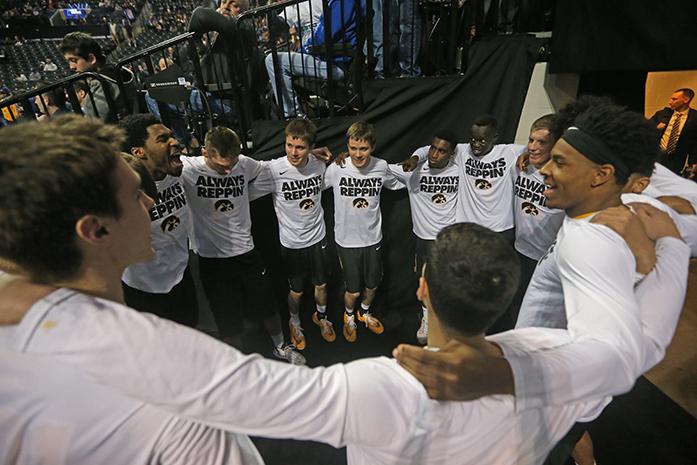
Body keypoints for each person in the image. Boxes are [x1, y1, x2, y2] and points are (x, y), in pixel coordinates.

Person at [0, 115, 689, 465]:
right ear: (92, 229)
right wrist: (664, 245)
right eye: (136, 195)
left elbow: (247, 391)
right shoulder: (443, 378)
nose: (154, 203)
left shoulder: (27, 352)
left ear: (420, 286)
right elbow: (629, 350)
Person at [392, 102, 690, 444]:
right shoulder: (608, 214)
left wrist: (494, 376)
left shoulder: (590, 241)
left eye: (559, 162)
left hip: (548, 398)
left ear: (601, 175)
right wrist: (671, 245)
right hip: (553, 384)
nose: (544, 169)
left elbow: (622, 359)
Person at [180, 125, 305, 364]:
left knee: (268, 305)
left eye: (232, 164)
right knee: (228, 320)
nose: (228, 171)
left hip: (246, 251)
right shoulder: (188, 168)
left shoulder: (245, 164)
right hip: (212, 258)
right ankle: (236, 364)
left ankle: (280, 347)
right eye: (221, 166)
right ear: (205, 153)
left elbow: (272, 166)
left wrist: (310, 154)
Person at [250, 118, 331, 350]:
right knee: (296, 291)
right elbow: (244, 192)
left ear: (310, 146)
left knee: (322, 285)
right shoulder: (274, 170)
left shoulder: (318, 163)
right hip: (292, 244)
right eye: (289, 145)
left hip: (319, 238)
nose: (294, 152)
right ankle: (294, 321)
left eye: (300, 147)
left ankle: (323, 318)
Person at [119, 114, 199, 327]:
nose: (174, 142)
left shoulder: (181, 171)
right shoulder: (121, 192)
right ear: (138, 152)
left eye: (172, 136)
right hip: (143, 290)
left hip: (181, 276)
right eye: (163, 139)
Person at [325, 121, 402, 342]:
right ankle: (349, 316)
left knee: (372, 285)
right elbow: (311, 183)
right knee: (354, 289)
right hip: (347, 241)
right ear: (347, 147)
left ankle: (364, 312)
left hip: (373, 239)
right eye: (353, 148)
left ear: (373, 146)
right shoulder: (338, 167)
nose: (358, 154)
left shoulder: (381, 166)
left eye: (363, 148)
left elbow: (400, 180)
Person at [387, 130, 460, 343]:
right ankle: (427, 317)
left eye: (441, 151)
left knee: (450, 281)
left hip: (450, 238)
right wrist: (346, 157)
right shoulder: (413, 170)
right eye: (433, 148)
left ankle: (448, 320)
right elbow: (378, 167)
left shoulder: (460, 170)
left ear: (451, 154)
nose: (435, 154)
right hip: (424, 238)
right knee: (425, 281)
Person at [406, 114, 524, 244]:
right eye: (473, 139)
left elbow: (536, 150)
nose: (476, 145)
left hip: (500, 228)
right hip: (468, 227)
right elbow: (430, 148)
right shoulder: (463, 151)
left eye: (482, 141)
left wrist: (527, 156)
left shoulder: (509, 152)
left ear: (494, 138)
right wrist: (415, 158)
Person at [509, 113, 565, 328]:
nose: (532, 146)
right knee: (513, 308)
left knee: (537, 317)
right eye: (531, 140)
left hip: (546, 259)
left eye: (541, 142)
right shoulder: (523, 163)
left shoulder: (564, 176)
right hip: (518, 250)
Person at [265, 0, 364, 117]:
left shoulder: (344, 2)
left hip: (336, 64)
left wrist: (303, 50)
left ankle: (294, 117)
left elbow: (324, 36)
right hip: (327, 59)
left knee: (273, 60)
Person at [60, 31, 132, 121]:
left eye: (74, 60)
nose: (71, 67)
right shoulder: (117, 71)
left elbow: (93, 124)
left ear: (91, 59)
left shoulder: (101, 82)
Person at [649, 88, 697, 176]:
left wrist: (693, 162)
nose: (670, 102)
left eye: (674, 99)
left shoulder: (694, 117)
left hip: (677, 159)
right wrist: (657, 128)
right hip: (657, 155)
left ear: (686, 100)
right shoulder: (663, 114)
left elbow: (695, 142)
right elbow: (645, 130)